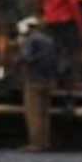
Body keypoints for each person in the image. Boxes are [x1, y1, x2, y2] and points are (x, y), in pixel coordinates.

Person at [36, 0, 82, 91]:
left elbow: (39, 0)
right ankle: (71, 82)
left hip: (50, 21)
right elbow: (72, 3)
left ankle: (51, 81)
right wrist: (79, 22)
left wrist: (41, 16)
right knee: (71, 52)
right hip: (66, 21)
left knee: (51, 51)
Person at [18, 17, 58, 151]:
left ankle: (35, 144)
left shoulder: (31, 40)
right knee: (44, 114)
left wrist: (19, 57)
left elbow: (26, 57)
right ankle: (45, 142)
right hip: (48, 80)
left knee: (33, 114)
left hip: (34, 80)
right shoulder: (49, 40)